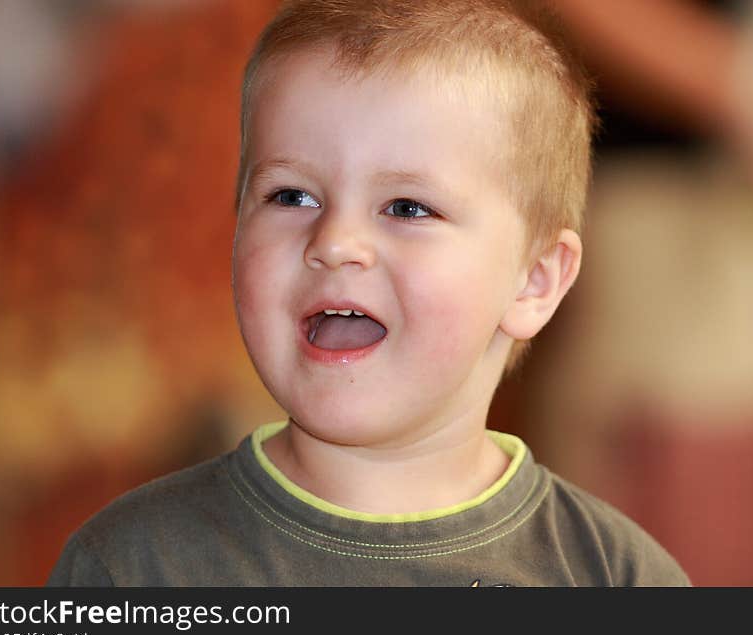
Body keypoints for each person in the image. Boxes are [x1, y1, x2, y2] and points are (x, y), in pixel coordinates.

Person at [47, 0, 690, 586]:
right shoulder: (132, 567)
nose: (335, 240)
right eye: (290, 196)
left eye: (407, 207)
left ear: (534, 280)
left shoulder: (617, 577)